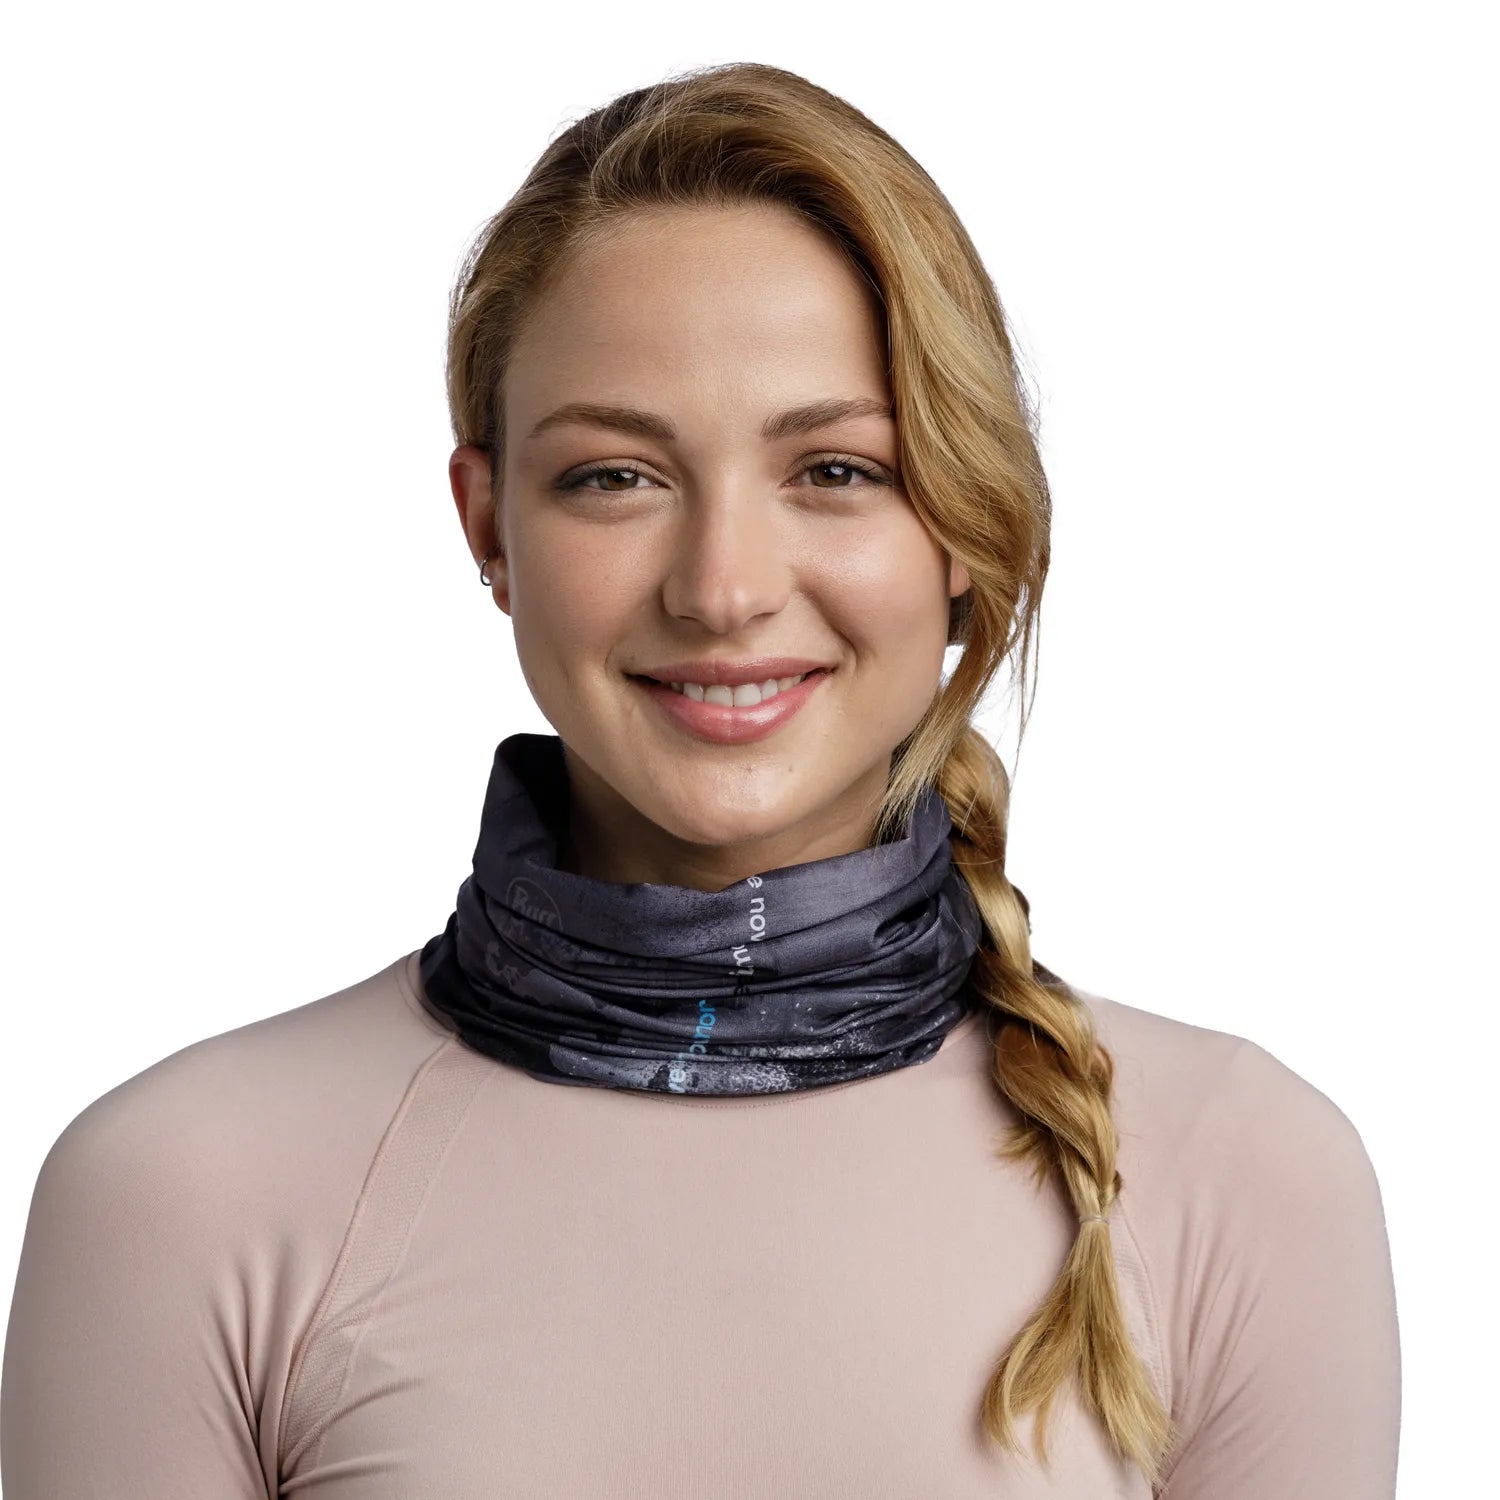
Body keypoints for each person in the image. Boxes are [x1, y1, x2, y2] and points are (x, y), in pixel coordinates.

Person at [0, 61, 1400, 1498]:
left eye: (837, 471)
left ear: (965, 524)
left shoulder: (1243, 1179)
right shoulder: (182, 1197)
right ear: (489, 529)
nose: (723, 589)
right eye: (615, 476)